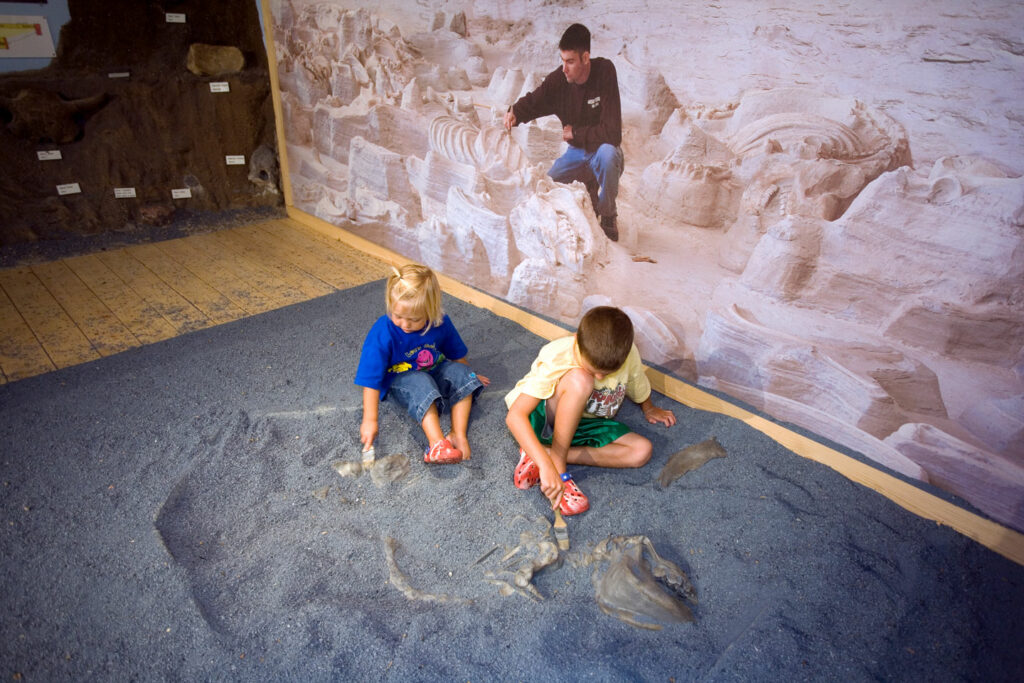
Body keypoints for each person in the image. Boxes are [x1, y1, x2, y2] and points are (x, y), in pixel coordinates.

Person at [504, 306, 676, 515]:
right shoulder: (558, 354)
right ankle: (557, 466)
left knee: (642, 451)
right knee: (581, 380)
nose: (600, 379)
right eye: (594, 370)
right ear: (577, 341)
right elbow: (515, 416)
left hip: (583, 422)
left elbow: (636, 380)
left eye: (607, 373)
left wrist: (648, 407)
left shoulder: (629, 354)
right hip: (543, 418)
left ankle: (541, 453)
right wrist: (550, 468)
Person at [356, 264, 490, 463]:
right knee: (421, 383)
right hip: (400, 378)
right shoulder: (382, 331)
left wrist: (469, 376)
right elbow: (371, 378)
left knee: (464, 373)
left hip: (434, 367)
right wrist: (370, 419)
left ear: (431, 310)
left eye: (415, 319)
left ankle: (458, 434)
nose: (405, 324)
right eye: (397, 316)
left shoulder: (440, 321)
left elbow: (456, 353)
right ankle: (436, 444)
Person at [504, 23, 624, 241]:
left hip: (601, 151)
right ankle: (589, 191)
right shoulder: (559, 80)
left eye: (570, 61)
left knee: (608, 155)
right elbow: (535, 100)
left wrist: (575, 134)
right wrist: (514, 112)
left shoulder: (605, 71)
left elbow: (613, 133)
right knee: (548, 186)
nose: (564, 68)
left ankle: (607, 215)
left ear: (585, 58)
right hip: (576, 155)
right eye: (562, 60)